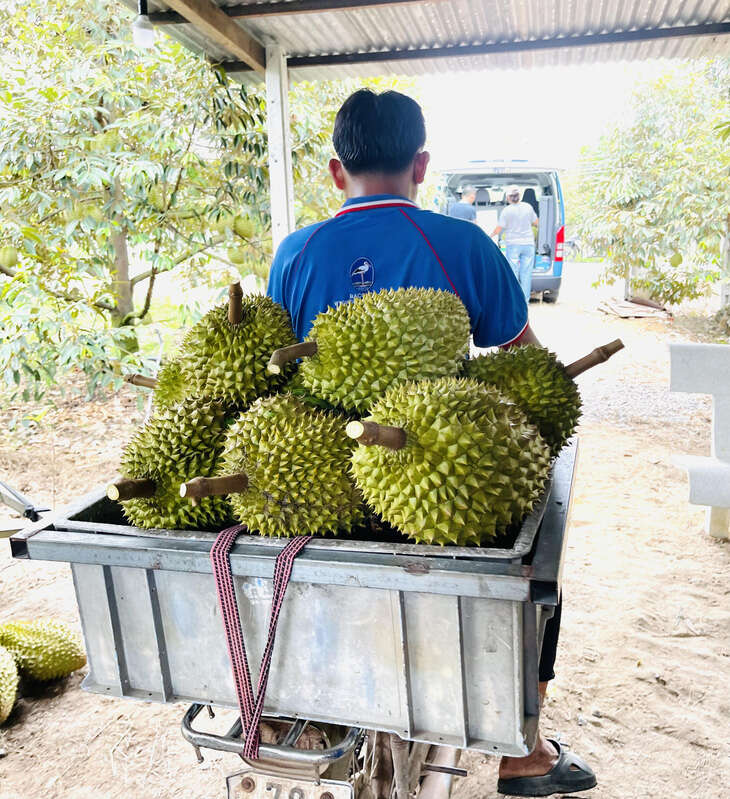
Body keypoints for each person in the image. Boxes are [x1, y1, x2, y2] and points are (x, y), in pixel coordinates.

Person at [267, 88, 596, 798]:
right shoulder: (463, 245)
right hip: (443, 491)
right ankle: (524, 750)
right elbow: (524, 365)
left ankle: (294, 711)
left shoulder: (295, 254)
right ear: (420, 165)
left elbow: (274, 378)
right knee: (537, 574)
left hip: (316, 492)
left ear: (335, 172)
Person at [492, 185, 539, 302]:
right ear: (519, 196)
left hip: (513, 244)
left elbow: (499, 228)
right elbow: (536, 222)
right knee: (526, 273)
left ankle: (514, 300)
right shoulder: (528, 207)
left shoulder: (506, 211)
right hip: (528, 244)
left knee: (513, 272)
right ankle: (525, 300)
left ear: (508, 197)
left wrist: (489, 236)